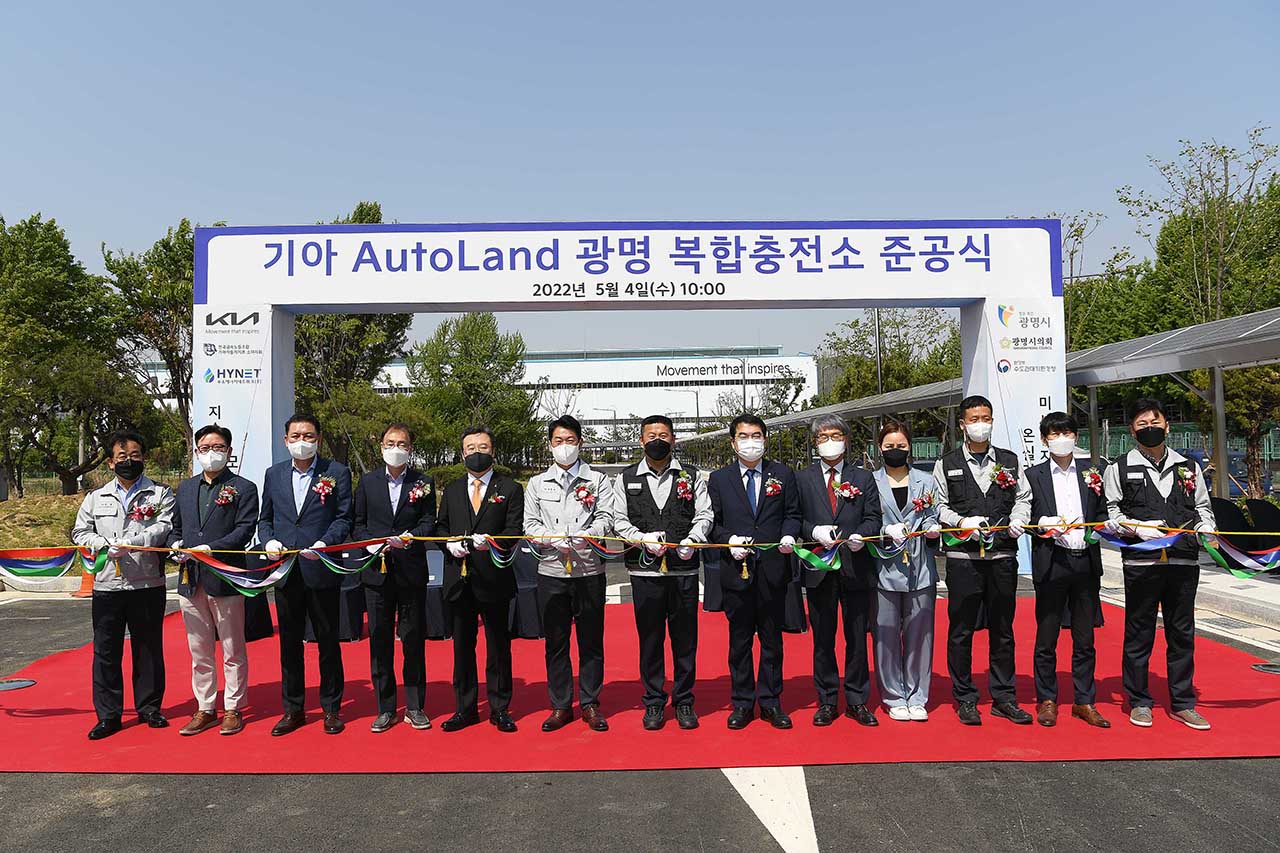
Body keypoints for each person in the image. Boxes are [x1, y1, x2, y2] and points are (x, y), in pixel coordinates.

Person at [1103, 397, 1217, 730]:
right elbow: (1110, 513)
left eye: (1155, 422)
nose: (1149, 428)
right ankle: (1139, 700)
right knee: (1139, 633)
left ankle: (1183, 702)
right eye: (1142, 424)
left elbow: (1202, 507)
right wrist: (1135, 528)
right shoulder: (1118, 468)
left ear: (1167, 426)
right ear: (1132, 430)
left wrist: (1205, 527)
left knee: (1182, 633)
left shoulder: (1188, 467)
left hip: (1183, 562)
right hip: (1142, 563)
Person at [933, 395, 1034, 726]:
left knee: (1002, 630)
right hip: (963, 558)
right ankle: (965, 696)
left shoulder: (1009, 461)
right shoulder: (946, 463)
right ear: (963, 425)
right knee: (961, 630)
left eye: (986, 418)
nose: (981, 424)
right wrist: (961, 522)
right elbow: (938, 505)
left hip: (1002, 556)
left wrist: (1019, 518)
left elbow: (1023, 497)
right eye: (974, 419)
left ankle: (1004, 697)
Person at [610, 415, 713, 731]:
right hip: (645, 574)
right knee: (650, 639)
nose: (658, 440)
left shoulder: (691, 476)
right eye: (651, 435)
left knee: (685, 640)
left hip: (683, 571)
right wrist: (641, 539)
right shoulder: (626, 478)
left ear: (673, 439)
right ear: (641, 440)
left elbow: (705, 514)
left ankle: (684, 700)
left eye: (664, 435)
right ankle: (654, 700)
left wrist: (693, 539)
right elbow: (618, 520)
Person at [71, 429, 175, 740]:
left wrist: (134, 542)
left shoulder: (160, 494)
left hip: (146, 583)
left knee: (148, 648)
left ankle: (150, 708)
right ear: (110, 462)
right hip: (107, 586)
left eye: (135, 456)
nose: (129, 461)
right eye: (122, 457)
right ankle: (108, 715)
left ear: (143, 458)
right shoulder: (96, 497)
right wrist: (102, 544)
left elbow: (164, 525)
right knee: (106, 651)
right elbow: (80, 532)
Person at [1012, 412, 1112, 728]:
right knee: (1047, 636)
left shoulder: (1094, 472)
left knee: (1085, 639)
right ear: (1044, 440)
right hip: (1052, 561)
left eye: (1067, 433)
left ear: (1075, 437)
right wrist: (1040, 524)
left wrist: (1106, 525)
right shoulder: (1033, 475)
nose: (1061, 439)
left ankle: (1084, 700)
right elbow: (1024, 514)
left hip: (1085, 561)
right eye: (1054, 434)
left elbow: (1105, 511)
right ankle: (1047, 699)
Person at [258, 413, 353, 736]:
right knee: (289, 644)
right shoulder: (274, 474)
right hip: (286, 570)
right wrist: (267, 541)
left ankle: (331, 708)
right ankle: (293, 709)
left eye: (308, 436)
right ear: (286, 441)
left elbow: (344, 517)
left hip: (321, 566)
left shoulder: (336, 472)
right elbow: (265, 518)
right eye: (296, 436)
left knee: (327, 641)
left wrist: (326, 542)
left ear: (318, 440)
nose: (302, 442)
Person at [708, 413, 802, 730]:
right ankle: (742, 702)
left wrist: (789, 535)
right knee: (740, 642)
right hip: (737, 570)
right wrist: (728, 541)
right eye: (744, 436)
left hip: (773, 569)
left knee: (772, 640)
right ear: (733, 442)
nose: (751, 442)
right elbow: (713, 523)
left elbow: (792, 514)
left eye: (756, 436)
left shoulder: (783, 474)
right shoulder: (720, 479)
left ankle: (771, 701)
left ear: (765, 439)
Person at [523, 414, 616, 732]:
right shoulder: (537, 483)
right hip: (551, 571)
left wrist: (587, 534)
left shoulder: (598, 480)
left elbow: (606, 517)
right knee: (556, 642)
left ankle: (590, 703)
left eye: (570, 440)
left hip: (588, 569)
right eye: (558, 441)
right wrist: (549, 537)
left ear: (580, 443)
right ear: (550, 445)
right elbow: (530, 523)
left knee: (591, 641)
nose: (564, 446)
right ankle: (560, 705)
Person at [167, 424, 258, 737]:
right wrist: (175, 545)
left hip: (225, 576)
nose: (211, 453)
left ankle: (233, 707)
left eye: (218, 447)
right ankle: (205, 707)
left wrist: (212, 548)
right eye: (205, 448)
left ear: (229, 452)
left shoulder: (243, 488)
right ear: (196, 452)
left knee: (232, 647)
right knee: (199, 649)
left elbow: (244, 530)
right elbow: (176, 528)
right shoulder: (186, 488)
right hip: (191, 579)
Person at [438, 425, 525, 733]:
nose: (477, 453)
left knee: (498, 646)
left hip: (494, 577)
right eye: (471, 448)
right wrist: (448, 543)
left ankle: (500, 708)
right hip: (459, 578)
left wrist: (493, 542)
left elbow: (514, 530)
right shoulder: (452, 489)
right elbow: (440, 527)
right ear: (463, 453)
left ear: (493, 451)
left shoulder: (510, 488)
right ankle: (465, 708)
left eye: (483, 447)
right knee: (462, 647)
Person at [796, 415, 882, 727]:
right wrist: (812, 531)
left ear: (846, 439)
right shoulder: (802, 479)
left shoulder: (863, 477)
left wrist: (862, 534)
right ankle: (827, 699)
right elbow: (794, 518)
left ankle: (857, 700)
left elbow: (874, 517)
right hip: (819, 567)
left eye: (835, 435)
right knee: (823, 638)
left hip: (855, 567)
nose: (829, 441)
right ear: (815, 442)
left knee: (857, 637)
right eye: (823, 436)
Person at [352, 423, 437, 733]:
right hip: (376, 572)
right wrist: (369, 543)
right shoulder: (367, 482)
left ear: (410, 449)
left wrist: (411, 537)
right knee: (380, 640)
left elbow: (429, 521)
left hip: (410, 571)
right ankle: (385, 707)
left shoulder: (423, 482)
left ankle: (415, 706)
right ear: (381, 447)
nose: (396, 448)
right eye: (390, 443)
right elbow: (357, 523)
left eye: (402, 443)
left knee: (412, 640)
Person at [871, 421, 941, 722]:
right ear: (880, 448)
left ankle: (917, 694)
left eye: (901, 446)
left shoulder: (925, 480)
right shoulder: (870, 481)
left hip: (920, 567)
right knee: (885, 636)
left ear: (909, 447)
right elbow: (866, 519)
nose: (895, 450)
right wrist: (884, 531)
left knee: (920, 634)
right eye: (889, 446)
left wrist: (932, 527)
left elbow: (932, 513)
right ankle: (893, 695)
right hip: (883, 569)